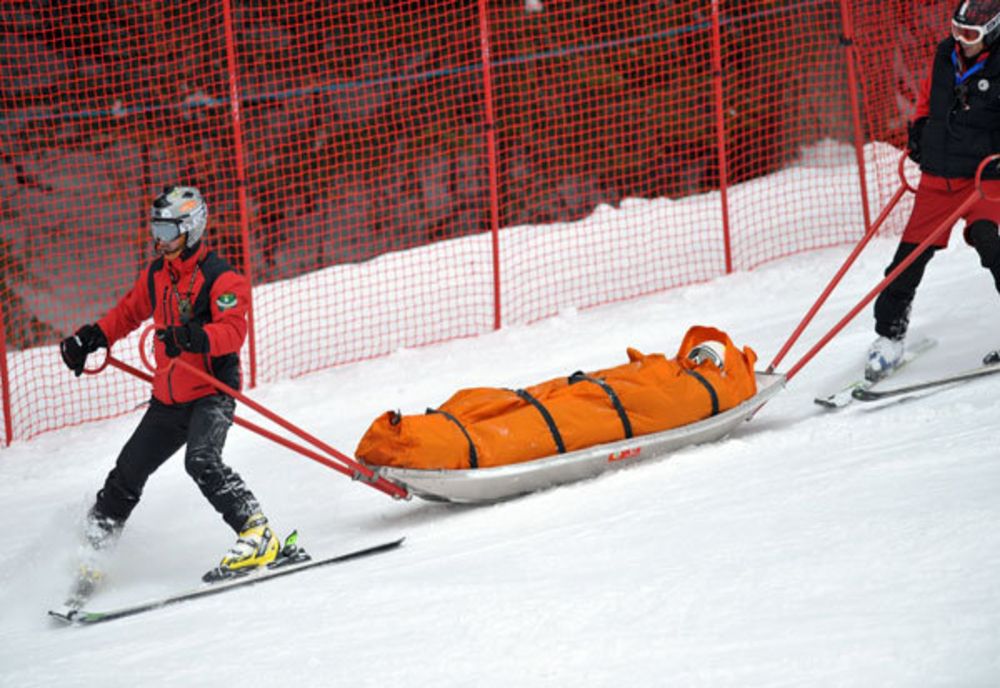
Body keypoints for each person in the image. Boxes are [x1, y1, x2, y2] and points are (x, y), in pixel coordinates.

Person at [59, 186, 279, 585]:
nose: (158, 241)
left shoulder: (223, 279)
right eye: (155, 231)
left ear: (191, 230)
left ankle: (257, 532)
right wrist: (91, 338)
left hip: (211, 390)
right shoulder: (156, 276)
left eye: (166, 231)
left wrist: (194, 337)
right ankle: (92, 555)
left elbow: (233, 332)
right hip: (168, 398)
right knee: (127, 472)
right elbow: (127, 313)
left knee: (201, 461)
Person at [867, 0, 1000, 381]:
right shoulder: (947, 54)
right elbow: (928, 99)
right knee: (907, 260)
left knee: (991, 246)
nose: (960, 39)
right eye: (957, 30)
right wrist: (919, 130)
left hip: (984, 179)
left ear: (991, 32)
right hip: (939, 177)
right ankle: (888, 336)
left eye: (970, 34)